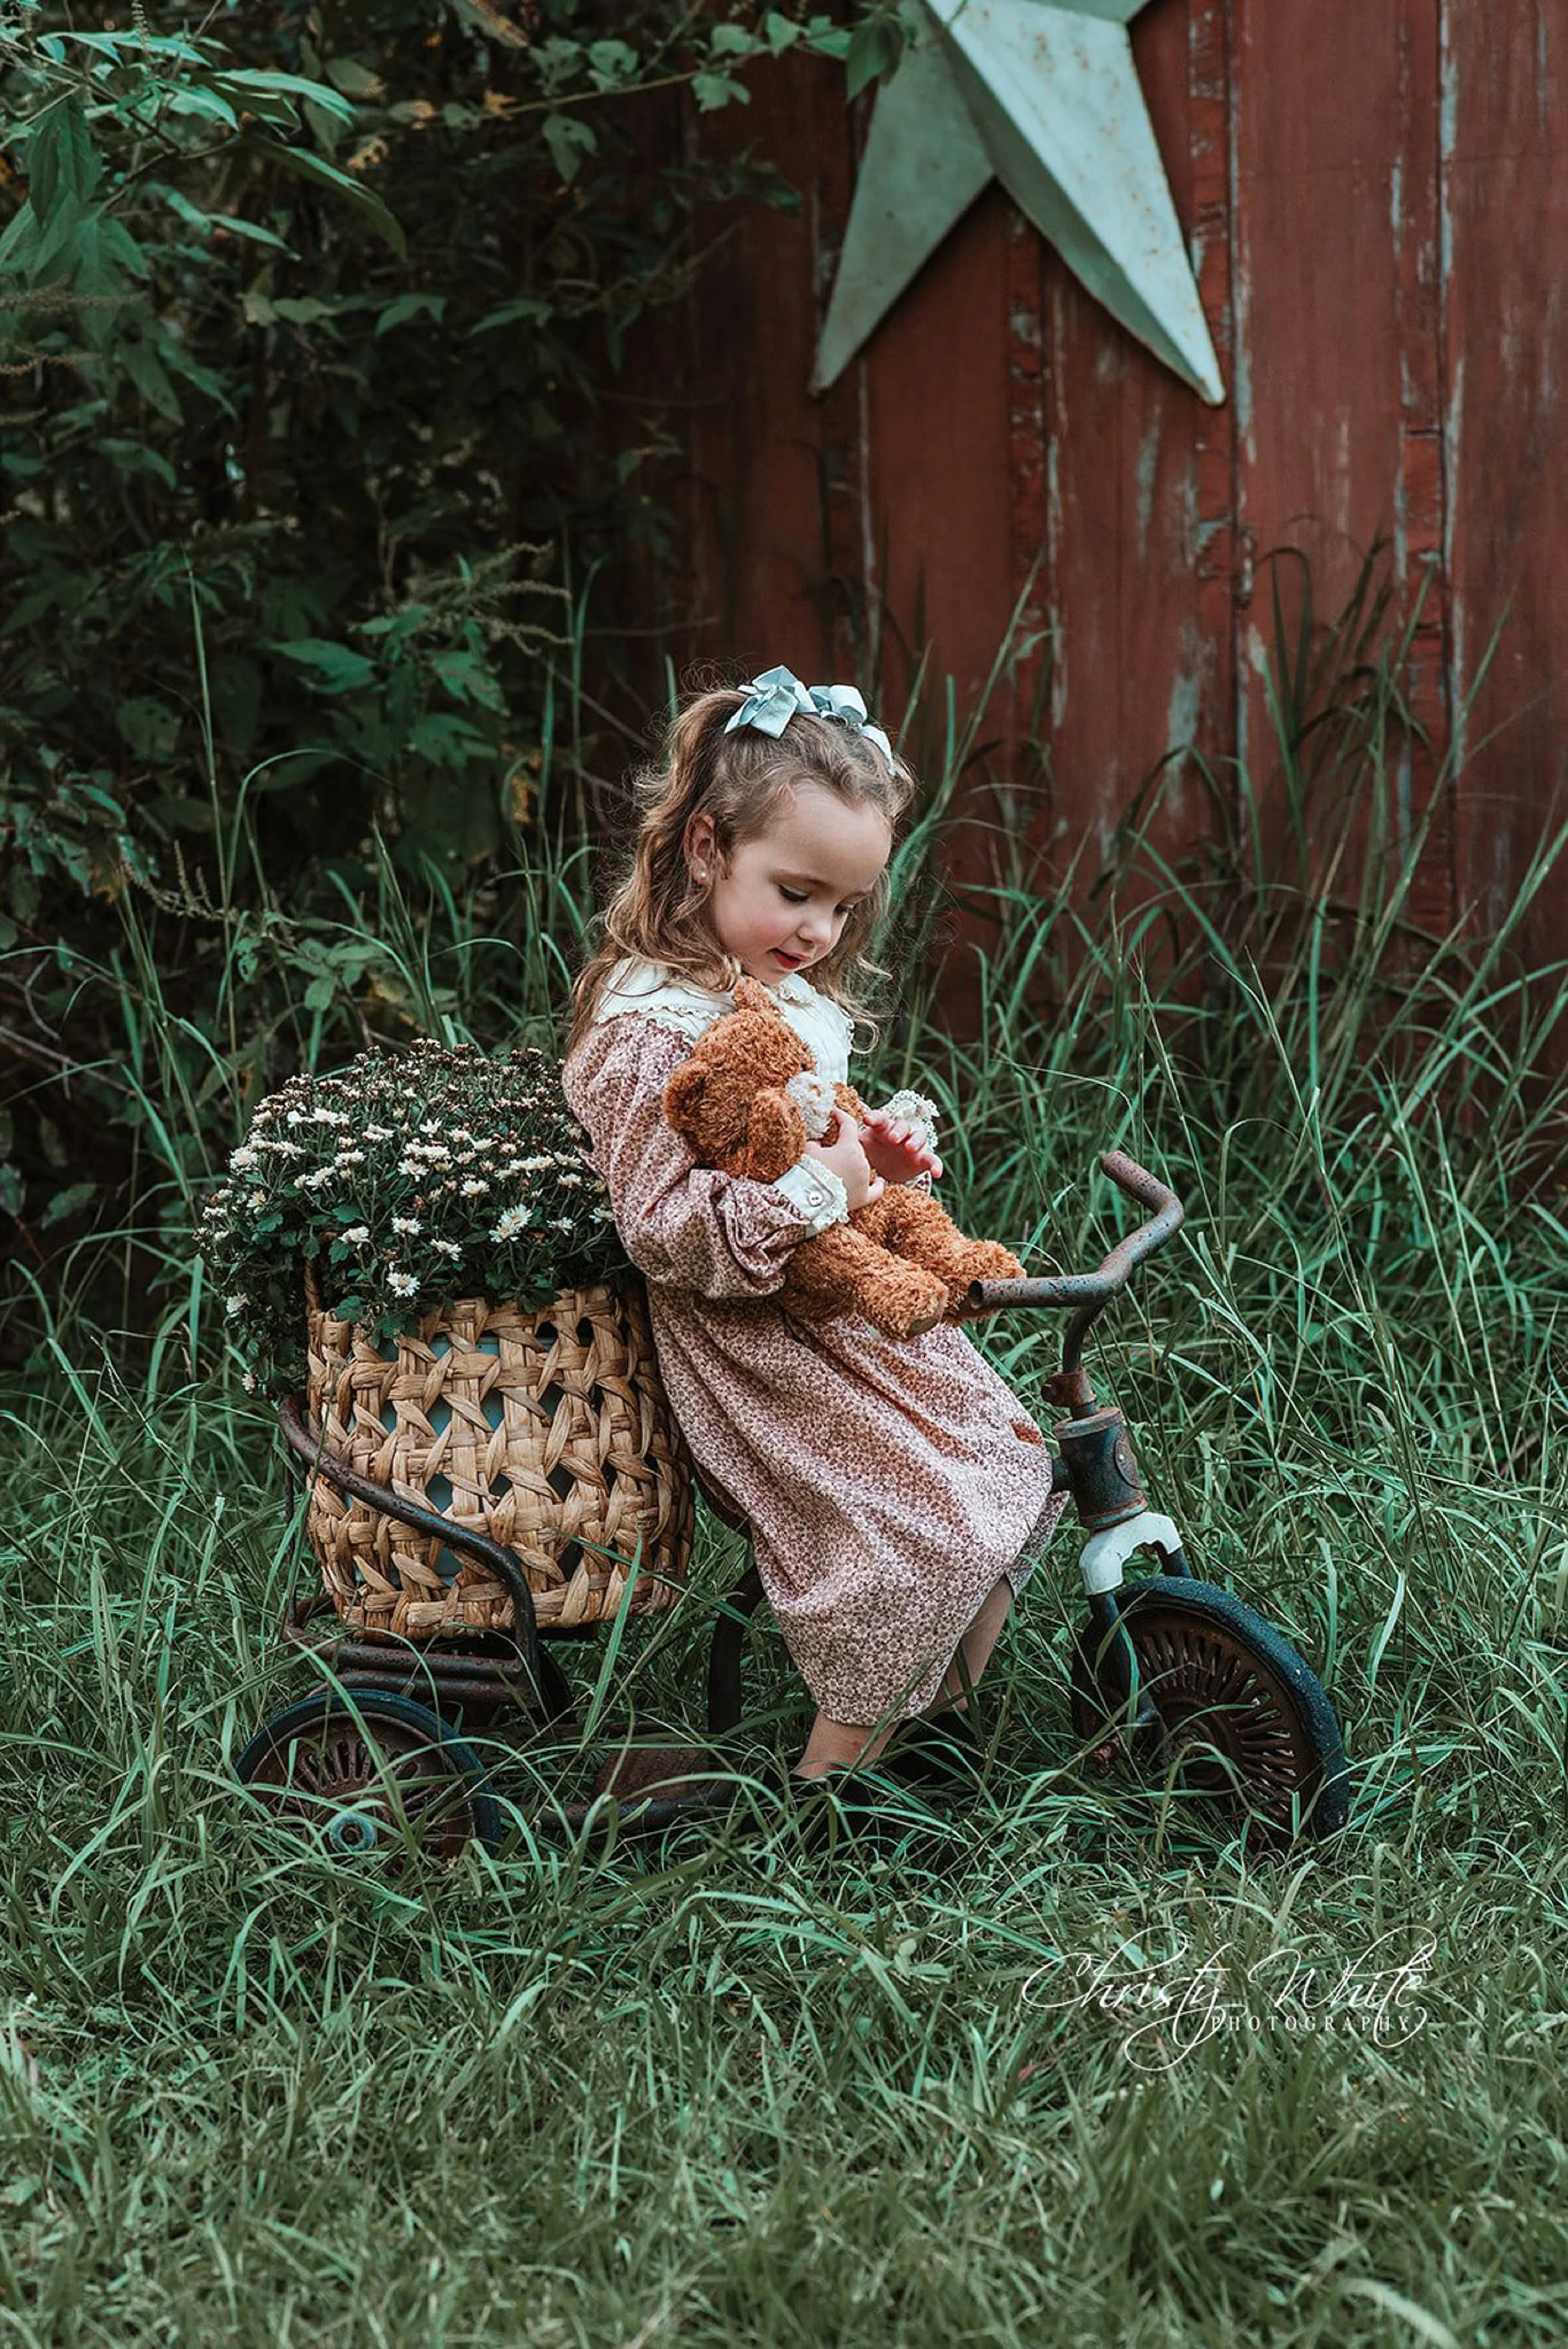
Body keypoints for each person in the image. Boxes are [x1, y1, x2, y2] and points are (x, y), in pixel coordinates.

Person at [559, 665, 1063, 1804]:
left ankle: (923, 1755)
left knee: (1007, 1463)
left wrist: (871, 1161)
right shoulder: (648, 1030)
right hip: (756, 1346)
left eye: (844, 907)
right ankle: (827, 1809)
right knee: (910, 1542)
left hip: (840, 1314)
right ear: (703, 850)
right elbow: (667, 1232)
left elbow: (810, 1141)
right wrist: (827, 1184)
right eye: (796, 893)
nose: (821, 930)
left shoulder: (778, 999)